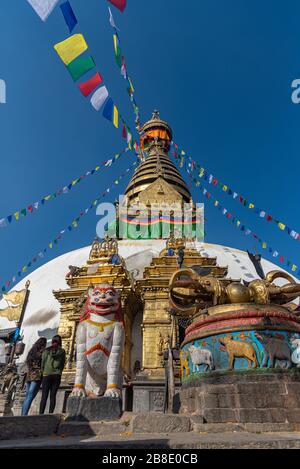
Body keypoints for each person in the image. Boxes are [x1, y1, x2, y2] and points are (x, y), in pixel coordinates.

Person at [39, 335, 66, 415]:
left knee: (44, 395)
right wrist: (59, 371)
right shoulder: (62, 351)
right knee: (53, 395)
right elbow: (62, 363)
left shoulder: (46, 351)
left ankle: (41, 413)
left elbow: (43, 362)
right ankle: (50, 413)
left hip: (46, 374)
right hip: (57, 374)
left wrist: (43, 371)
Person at [21, 337, 47, 416]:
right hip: (37, 375)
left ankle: (22, 414)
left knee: (27, 396)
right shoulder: (42, 352)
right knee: (31, 396)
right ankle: (24, 415)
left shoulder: (31, 352)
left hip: (29, 374)